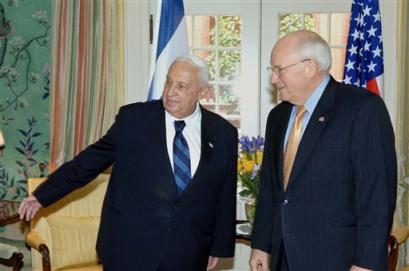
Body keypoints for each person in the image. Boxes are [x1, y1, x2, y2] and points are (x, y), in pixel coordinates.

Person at [19, 55, 238, 271]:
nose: (170, 92)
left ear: (203, 92)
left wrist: (219, 246)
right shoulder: (134, 120)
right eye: (168, 82)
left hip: (188, 251)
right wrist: (43, 194)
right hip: (130, 249)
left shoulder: (223, 134)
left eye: (181, 86)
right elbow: (91, 160)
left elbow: (224, 194)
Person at [249, 30, 396, 271]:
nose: (274, 79)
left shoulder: (362, 108)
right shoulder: (278, 116)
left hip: (336, 259)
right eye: (272, 71)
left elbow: (376, 195)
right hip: (281, 258)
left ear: (309, 67)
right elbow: (270, 188)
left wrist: (366, 263)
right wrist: (261, 243)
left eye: (279, 69)